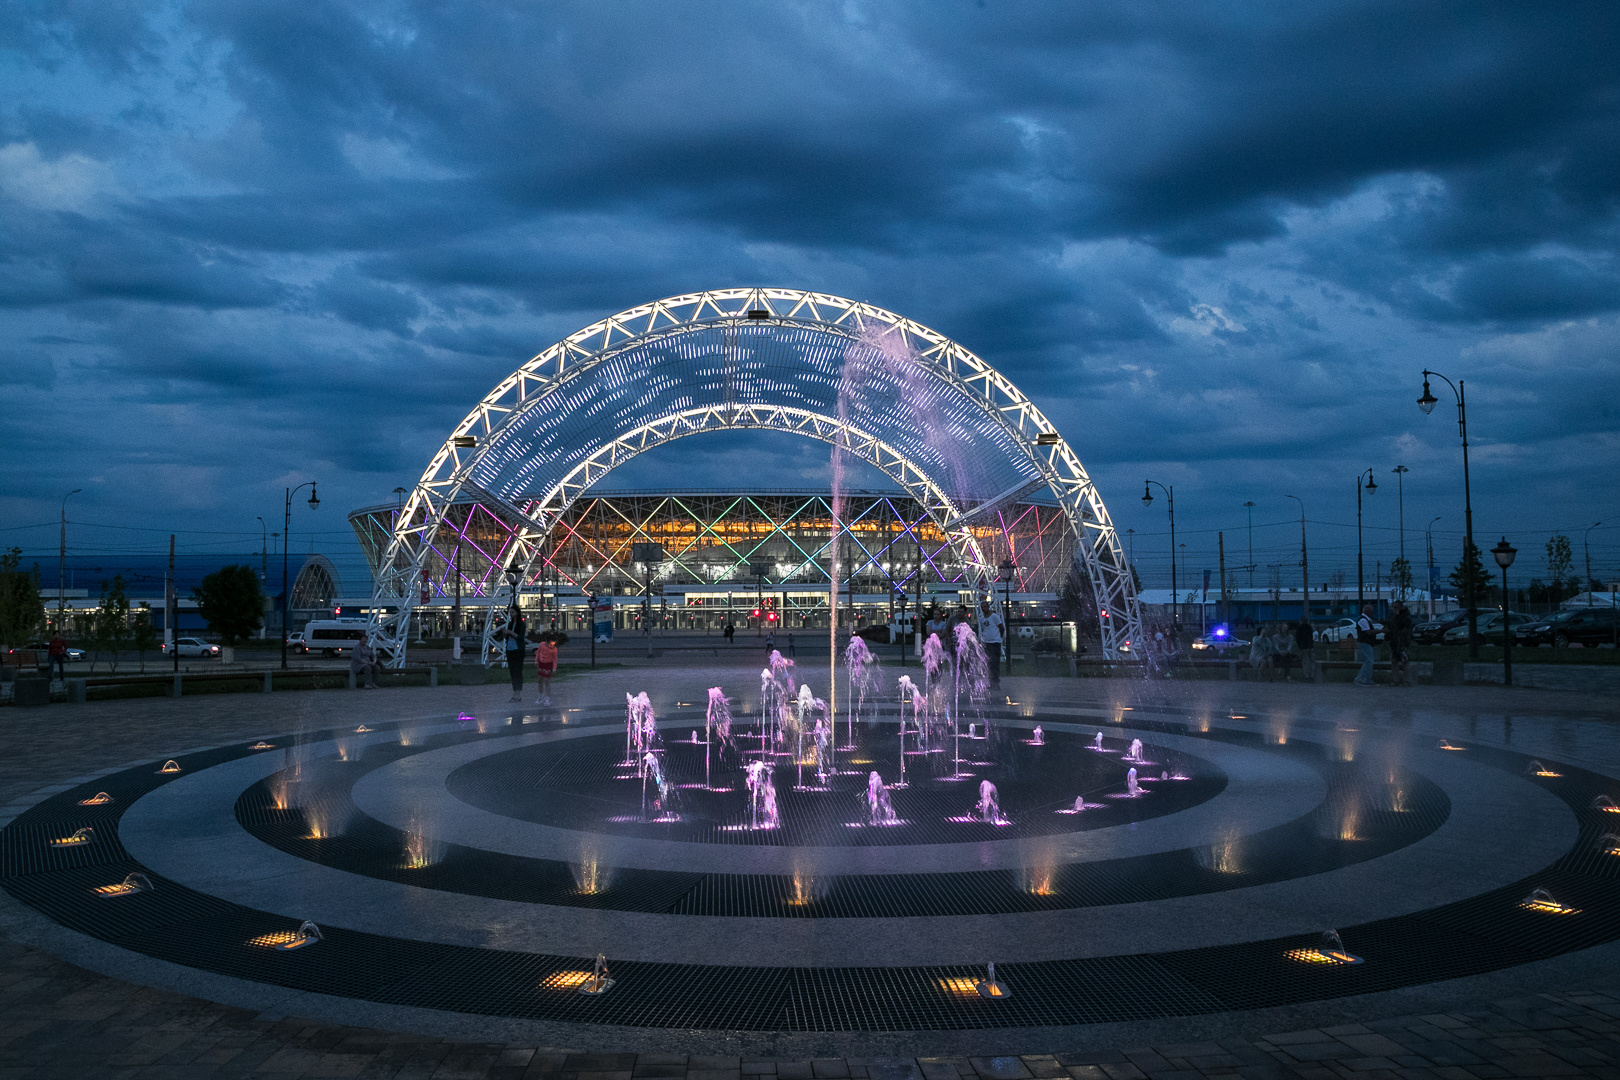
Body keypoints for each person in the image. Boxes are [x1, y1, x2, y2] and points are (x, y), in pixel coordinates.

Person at [977, 600, 1005, 687]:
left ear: (988, 607)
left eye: (985, 607)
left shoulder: (994, 617)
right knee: (988, 663)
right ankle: (989, 680)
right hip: (986, 642)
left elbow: (1001, 628)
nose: (983, 609)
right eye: (982, 607)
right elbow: (983, 629)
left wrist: (999, 637)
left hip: (995, 642)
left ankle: (996, 681)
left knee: (995, 663)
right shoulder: (981, 618)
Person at [1386, 600, 1413, 686]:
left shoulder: (1406, 615)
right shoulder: (1392, 615)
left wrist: (1398, 616)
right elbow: (1390, 625)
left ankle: (1407, 680)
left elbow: (1405, 625)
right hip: (1394, 640)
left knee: (1404, 660)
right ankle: (1395, 679)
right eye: (1393, 607)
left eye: (1396, 607)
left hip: (1402, 640)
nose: (1394, 609)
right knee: (1394, 661)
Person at [503, 608, 527, 702]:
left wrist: (510, 632)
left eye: (513, 612)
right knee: (512, 672)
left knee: (518, 672)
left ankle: (518, 694)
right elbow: (507, 638)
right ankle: (514, 694)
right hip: (510, 649)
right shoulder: (510, 624)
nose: (511, 614)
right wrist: (505, 634)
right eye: (510, 612)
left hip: (518, 650)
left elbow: (520, 637)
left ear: (517, 613)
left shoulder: (521, 624)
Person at [533, 631, 563, 705]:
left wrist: (554, 668)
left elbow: (555, 659)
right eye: (550, 644)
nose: (551, 646)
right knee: (540, 680)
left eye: (553, 644)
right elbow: (538, 653)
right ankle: (540, 695)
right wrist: (536, 661)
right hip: (541, 664)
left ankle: (547, 698)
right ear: (547, 642)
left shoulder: (554, 649)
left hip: (548, 665)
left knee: (547, 681)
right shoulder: (542, 645)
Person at [1354, 604, 1379, 686]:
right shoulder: (1363, 620)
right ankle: (1361, 678)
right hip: (1365, 642)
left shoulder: (1365, 620)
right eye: (1371, 611)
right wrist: (1380, 631)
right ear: (1367, 611)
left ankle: (1366, 679)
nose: (1372, 613)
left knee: (1368, 660)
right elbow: (1368, 632)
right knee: (1369, 660)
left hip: (1366, 642)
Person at [1293, 617, 1315, 682]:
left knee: (1305, 661)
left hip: (1303, 647)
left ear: (1301, 621)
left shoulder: (1300, 628)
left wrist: (1299, 646)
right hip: (1310, 646)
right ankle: (1312, 675)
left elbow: (1298, 638)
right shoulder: (1309, 627)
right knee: (1312, 661)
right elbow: (1311, 637)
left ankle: (1307, 676)